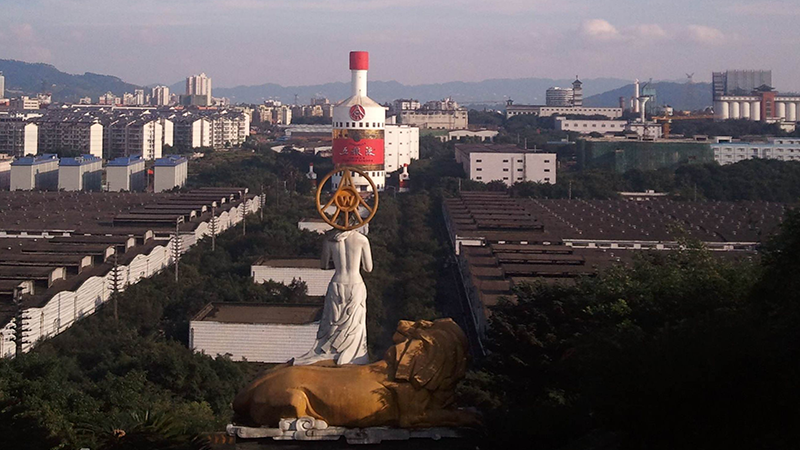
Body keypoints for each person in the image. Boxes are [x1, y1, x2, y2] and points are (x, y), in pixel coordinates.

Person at [294, 226, 372, 365]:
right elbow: (368, 268)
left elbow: (324, 265)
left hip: (337, 282)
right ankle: (351, 355)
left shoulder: (330, 240)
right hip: (356, 283)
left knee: (332, 320)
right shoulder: (361, 239)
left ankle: (330, 351)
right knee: (354, 324)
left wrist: (338, 263)